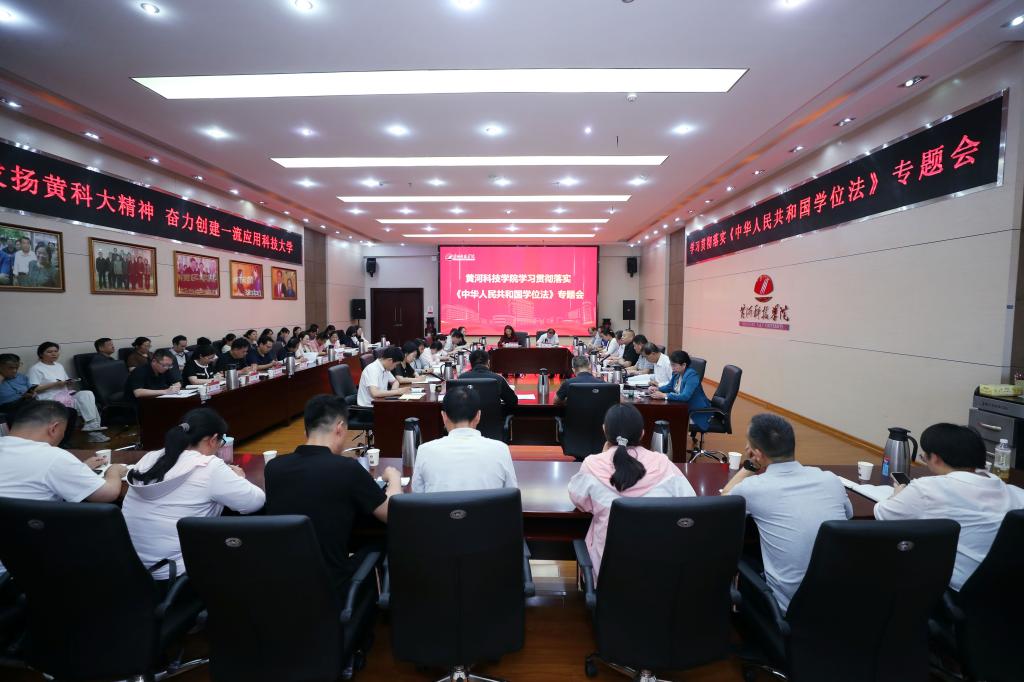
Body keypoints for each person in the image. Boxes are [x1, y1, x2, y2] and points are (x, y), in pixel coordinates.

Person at [264, 395, 402, 592]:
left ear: (306, 430)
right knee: (383, 540)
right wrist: (394, 478)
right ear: (340, 428)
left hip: (283, 585)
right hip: (332, 586)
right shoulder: (346, 468)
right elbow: (393, 513)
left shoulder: (273, 468)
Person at [722, 414, 853, 613]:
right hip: (839, 601)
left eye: (748, 444)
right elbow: (848, 516)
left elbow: (726, 502)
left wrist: (750, 466)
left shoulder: (755, 488)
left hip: (787, 608)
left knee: (744, 554)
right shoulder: (830, 479)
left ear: (756, 454)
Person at [874, 423, 1024, 590]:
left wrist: (898, 494)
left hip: (959, 588)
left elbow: (884, 514)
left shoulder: (927, 489)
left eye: (924, 457)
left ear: (935, 458)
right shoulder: (1015, 493)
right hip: (1009, 590)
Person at [122, 408, 265, 580]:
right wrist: (240, 478)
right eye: (221, 441)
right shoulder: (209, 466)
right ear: (213, 440)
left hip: (133, 569)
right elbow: (255, 502)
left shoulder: (150, 458)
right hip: (177, 573)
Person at [568, 403, 696, 580]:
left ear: (604, 430)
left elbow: (579, 500)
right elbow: (691, 504)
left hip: (608, 577)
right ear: (642, 433)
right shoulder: (663, 464)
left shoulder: (592, 465)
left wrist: (603, 455)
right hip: (660, 574)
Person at [0, 400, 125, 503]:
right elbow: (107, 494)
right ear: (54, 428)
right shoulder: (54, 457)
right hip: (38, 524)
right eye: (63, 431)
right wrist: (114, 471)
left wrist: (81, 468)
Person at [412, 387, 518, 493]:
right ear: (478, 416)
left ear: (444, 417)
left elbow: (417, 496)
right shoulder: (501, 450)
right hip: (488, 505)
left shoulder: (424, 451)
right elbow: (512, 494)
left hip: (441, 505)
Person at [27, 342, 109, 443]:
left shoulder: (59, 366)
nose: (54, 354)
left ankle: (91, 425)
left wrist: (69, 382)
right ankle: (94, 432)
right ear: (41, 354)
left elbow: (65, 382)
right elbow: (34, 388)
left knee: (87, 394)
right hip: (50, 399)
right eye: (50, 352)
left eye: (56, 351)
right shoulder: (36, 369)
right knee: (86, 405)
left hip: (65, 395)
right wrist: (55, 384)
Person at [649, 351, 713, 431]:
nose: (672, 368)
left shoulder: (692, 375)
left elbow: (685, 396)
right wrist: (657, 389)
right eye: (671, 365)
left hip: (696, 413)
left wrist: (665, 395)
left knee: (667, 419)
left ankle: (672, 438)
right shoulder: (677, 373)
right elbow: (669, 387)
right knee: (661, 415)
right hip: (683, 408)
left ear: (683, 365)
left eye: (674, 365)